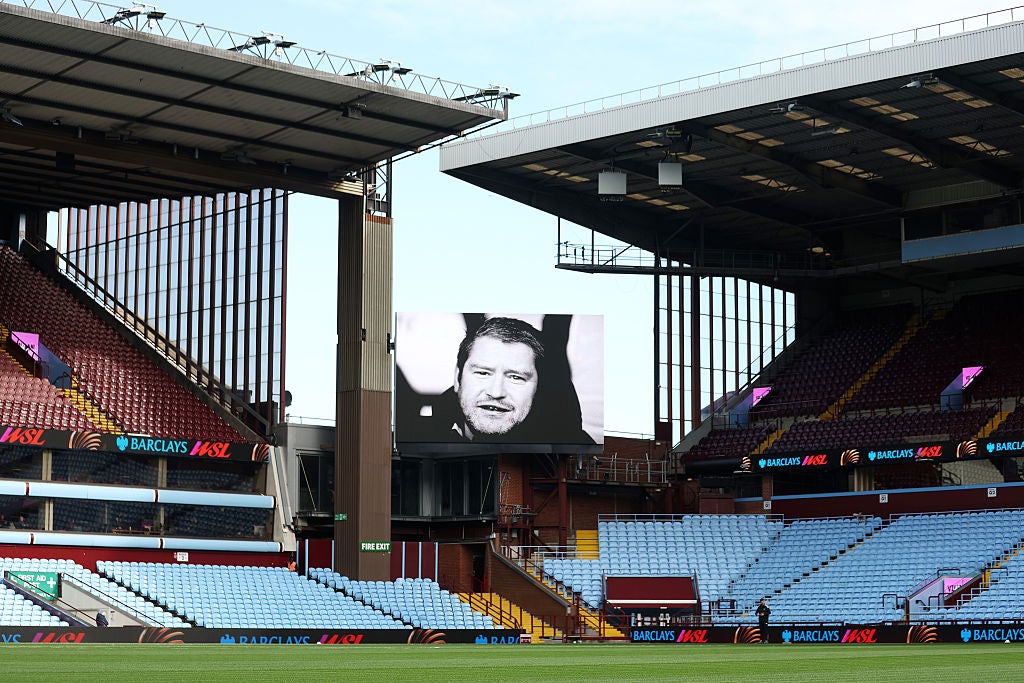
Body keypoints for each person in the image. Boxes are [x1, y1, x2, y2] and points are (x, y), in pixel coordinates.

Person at [414, 317, 595, 445]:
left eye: (516, 377)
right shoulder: (414, 436)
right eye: (483, 373)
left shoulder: (571, 445)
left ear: (538, 389)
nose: (496, 392)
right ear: (457, 378)